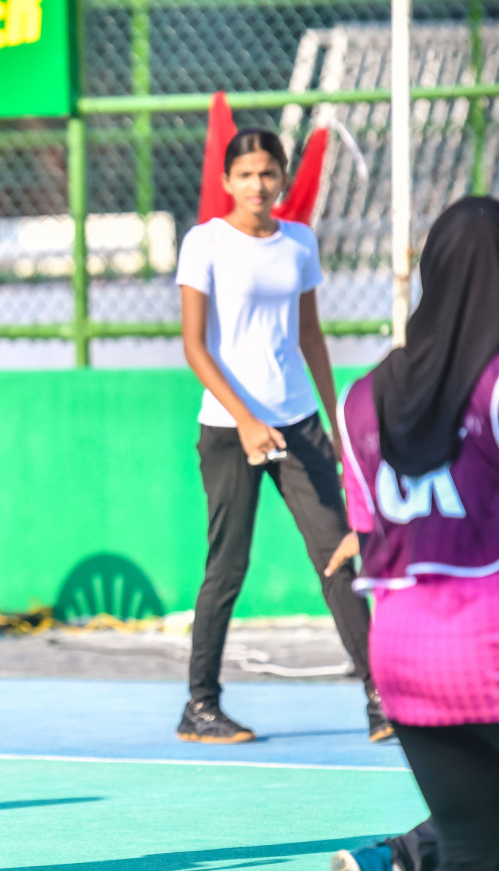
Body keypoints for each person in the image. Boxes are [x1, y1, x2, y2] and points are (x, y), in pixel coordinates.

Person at [334, 196, 499, 871]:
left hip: (401, 658)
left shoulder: (364, 398)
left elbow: (367, 537)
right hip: (488, 645)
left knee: (475, 852)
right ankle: (398, 869)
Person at [176, 127, 383, 744]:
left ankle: (382, 698)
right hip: (228, 429)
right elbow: (195, 345)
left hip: (299, 424)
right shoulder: (205, 242)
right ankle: (201, 706)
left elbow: (311, 338)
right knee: (227, 566)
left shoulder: (299, 243)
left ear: (282, 179)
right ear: (227, 181)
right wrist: (244, 420)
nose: (258, 185)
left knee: (339, 555)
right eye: (246, 174)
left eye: (268, 173)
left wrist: (337, 425)